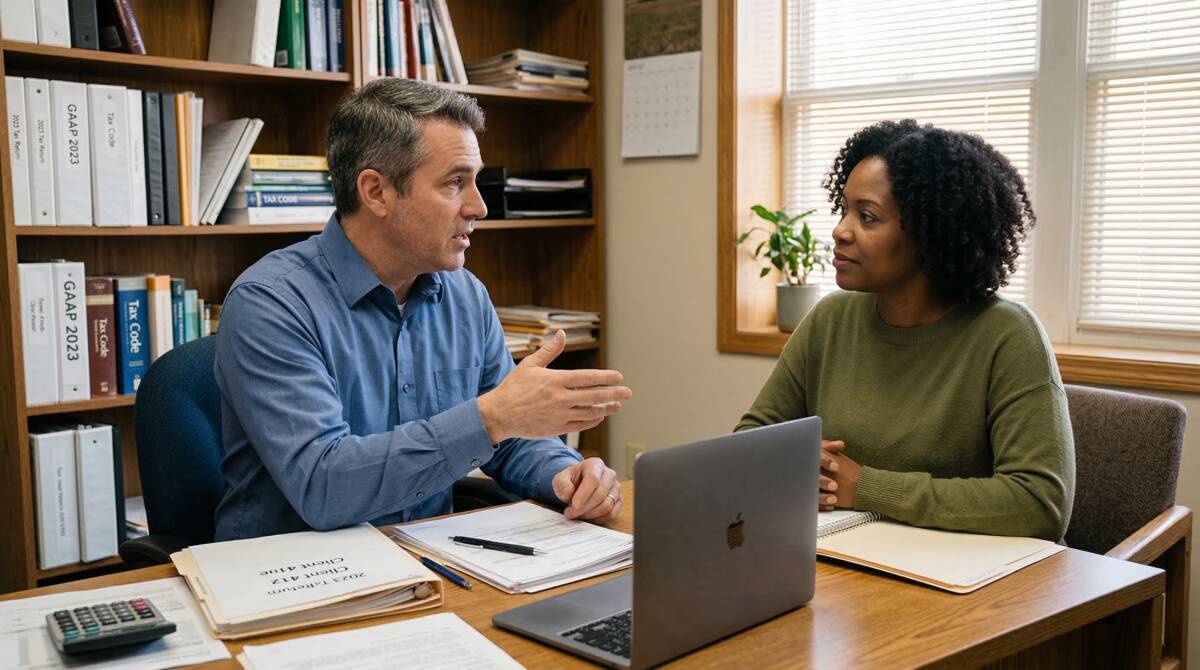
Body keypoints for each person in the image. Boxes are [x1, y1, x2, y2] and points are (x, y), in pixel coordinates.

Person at [213, 78, 630, 540]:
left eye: (475, 181)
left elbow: (508, 438)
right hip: (294, 568)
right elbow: (324, 485)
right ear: (376, 192)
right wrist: (490, 418)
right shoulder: (271, 303)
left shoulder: (465, 295)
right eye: (455, 182)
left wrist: (565, 474)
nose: (479, 207)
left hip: (429, 558)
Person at [736, 119, 1074, 541]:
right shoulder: (830, 319)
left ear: (931, 233)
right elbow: (748, 440)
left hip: (971, 572)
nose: (840, 231)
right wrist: (787, 458)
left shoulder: (1008, 335)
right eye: (844, 210)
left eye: (867, 217)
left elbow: (1041, 503)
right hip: (857, 557)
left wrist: (865, 487)